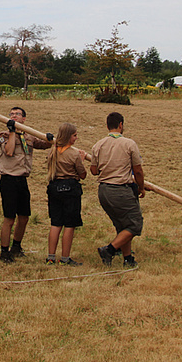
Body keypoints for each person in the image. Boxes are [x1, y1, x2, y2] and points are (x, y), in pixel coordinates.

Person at [0, 106, 52, 263]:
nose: (14, 116)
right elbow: (9, 151)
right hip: (8, 180)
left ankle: (16, 247)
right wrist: (13, 132)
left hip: (22, 180)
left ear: (24, 119)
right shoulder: (4, 135)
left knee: (24, 217)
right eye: (11, 114)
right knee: (9, 218)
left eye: (18, 114)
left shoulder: (29, 136)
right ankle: (4, 252)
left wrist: (49, 138)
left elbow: (44, 143)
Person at [90, 112, 144, 268]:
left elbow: (94, 171)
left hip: (104, 191)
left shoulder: (98, 145)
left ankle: (128, 259)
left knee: (123, 225)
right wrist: (141, 187)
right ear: (121, 125)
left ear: (107, 126)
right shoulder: (129, 144)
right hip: (121, 189)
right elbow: (138, 170)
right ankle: (110, 249)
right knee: (135, 225)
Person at [44, 122, 88, 266]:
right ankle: (65, 258)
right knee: (69, 224)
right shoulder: (74, 153)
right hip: (70, 189)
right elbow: (82, 175)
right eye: (74, 136)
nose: (76, 138)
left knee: (56, 223)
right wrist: (81, 160)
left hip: (54, 188)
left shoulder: (53, 151)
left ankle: (50, 257)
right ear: (69, 136)